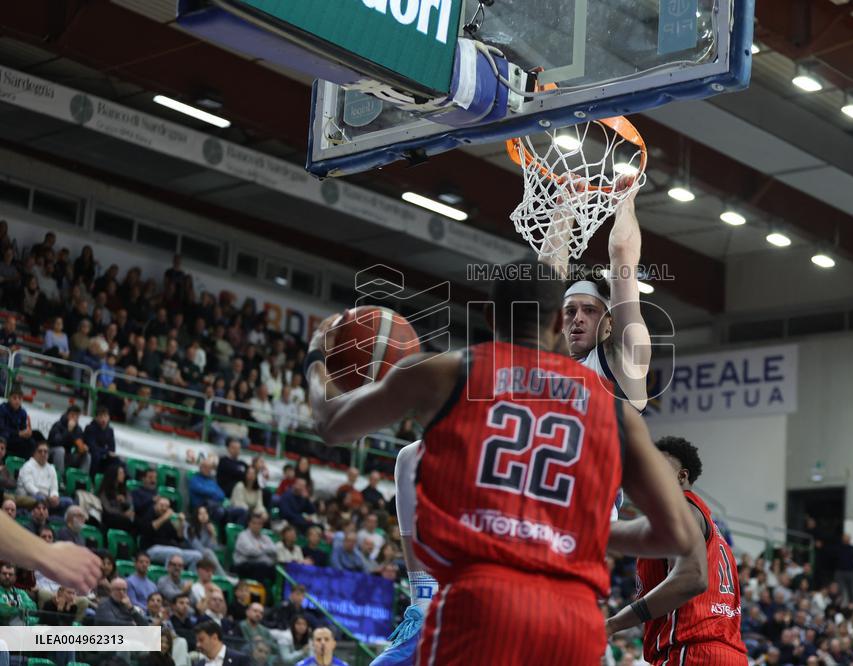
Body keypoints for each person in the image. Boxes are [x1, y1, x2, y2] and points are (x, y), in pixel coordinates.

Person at [306, 259, 702, 664]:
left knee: (410, 456)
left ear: (490, 316)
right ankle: (422, 600)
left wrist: (316, 360)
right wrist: (589, 530)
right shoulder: (614, 410)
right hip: (573, 620)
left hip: (480, 604)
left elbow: (331, 424)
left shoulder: (447, 372)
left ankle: (421, 597)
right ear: (556, 327)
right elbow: (677, 536)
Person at [605, 437, 744, 665]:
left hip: (691, 652)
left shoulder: (682, 510)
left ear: (682, 476)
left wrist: (613, 624)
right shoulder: (707, 524)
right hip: (726, 653)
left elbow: (692, 579)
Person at [141, 497, 204, 567]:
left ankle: (188, 577)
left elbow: (179, 538)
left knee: (198, 556)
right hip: (151, 549)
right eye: (161, 505)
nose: (164, 508)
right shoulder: (149, 514)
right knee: (176, 553)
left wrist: (181, 524)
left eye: (167, 506)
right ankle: (169, 577)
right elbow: (149, 529)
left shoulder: (168, 521)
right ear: (155, 505)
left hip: (171, 549)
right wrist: (165, 517)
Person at [189, 458, 246, 526]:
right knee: (220, 512)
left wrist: (213, 493)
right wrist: (213, 493)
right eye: (206, 467)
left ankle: (236, 533)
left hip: (217, 507)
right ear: (200, 467)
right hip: (202, 509)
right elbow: (204, 491)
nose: (208, 470)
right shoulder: (195, 480)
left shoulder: (211, 481)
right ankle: (222, 532)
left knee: (242, 511)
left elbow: (221, 494)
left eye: (210, 468)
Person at [16, 441, 70, 511]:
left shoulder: (51, 468)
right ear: (34, 453)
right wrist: (44, 496)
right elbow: (29, 486)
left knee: (69, 501)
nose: (43, 454)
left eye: (45, 452)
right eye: (40, 451)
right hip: (30, 496)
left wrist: (54, 496)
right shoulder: (27, 466)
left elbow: (54, 488)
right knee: (41, 499)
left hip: (48, 499)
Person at [233, 510, 278, 583]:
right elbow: (250, 552)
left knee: (275, 569)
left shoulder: (265, 537)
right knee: (261, 567)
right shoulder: (243, 536)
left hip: (262, 564)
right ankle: (258, 592)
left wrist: (261, 547)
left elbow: (274, 550)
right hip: (244, 565)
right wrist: (266, 551)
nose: (257, 526)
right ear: (249, 524)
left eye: (259, 523)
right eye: (254, 523)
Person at [46, 404, 91, 478]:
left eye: (77, 416)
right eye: (72, 415)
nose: (74, 418)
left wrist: (83, 448)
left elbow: (80, 444)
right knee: (60, 450)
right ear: (67, 415)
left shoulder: (78, 429)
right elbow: (56, 442)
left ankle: (81, 480)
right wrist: (68, 431)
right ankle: (59, 478)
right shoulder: (58, 425)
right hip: (53, 453)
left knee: (87, 455)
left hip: (68, 455)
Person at [98, 463, 136, 531]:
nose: (123, 475)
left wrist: (124, 502)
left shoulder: (125, 490)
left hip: (123, 517)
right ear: (114, 474)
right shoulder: (105, 491)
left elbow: (131, 505)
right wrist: (122, 514)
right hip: (110, 518)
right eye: (121, 473)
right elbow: (107, 509)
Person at [0, 389, 34, 459]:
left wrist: (27, 433)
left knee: (31, 442)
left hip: (15, 438)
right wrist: (18, 433)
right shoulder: (2, 409)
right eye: (15, 398)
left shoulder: (23, 412)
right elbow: (2, 428)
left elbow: (23, 429)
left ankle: (25, 465)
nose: (17, 401)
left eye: (20, 398)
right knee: (4, 437)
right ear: (9, 398)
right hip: (4, 436)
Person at [84, 406, 117, 475]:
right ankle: (92, 479)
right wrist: (107, 452)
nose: (103, 419)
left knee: (117, 461)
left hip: (103, 454)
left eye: (105, 416)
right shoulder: (90, 428)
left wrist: (108, 452)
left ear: (109, 417)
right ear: (96, 418)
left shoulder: (110, 430)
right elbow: (92, 447)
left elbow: (112, 448)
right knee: (96, 456)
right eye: (101, 416)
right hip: (91, 453)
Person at [833, 534, 853, 603]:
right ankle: (838, 606)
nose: (846, 540)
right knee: (839, 590)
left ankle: (851, 606)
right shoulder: (838, 548)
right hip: (839, 572)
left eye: (847, 538)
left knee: (851, 591)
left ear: (850, 539)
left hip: (850, 572)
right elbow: (833, 560)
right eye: (844, 538)